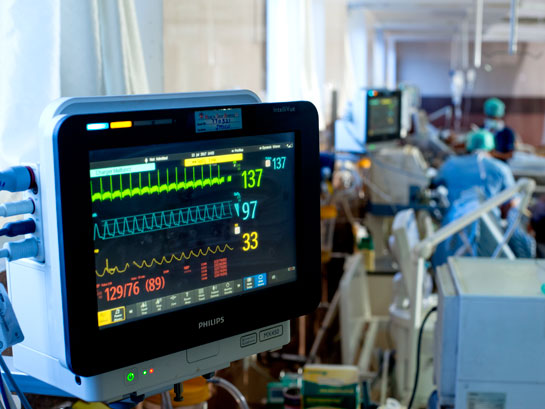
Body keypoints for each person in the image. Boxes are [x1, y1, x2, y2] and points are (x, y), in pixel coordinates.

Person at [435, 129, 515, 206]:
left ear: (468, 145)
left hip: (455, 214)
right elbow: (512, 201)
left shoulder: (451, 163)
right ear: (492, 147)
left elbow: (434, 183)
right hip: (487, 214)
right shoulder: (501, 168)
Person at [482, 97, 516, 162]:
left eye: (495, 117)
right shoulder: (480, 131)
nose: (492, 119)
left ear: (500, 115)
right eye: (490, 117)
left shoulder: (507, 132)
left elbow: (510, 154)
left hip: (500, 163)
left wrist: (494, 155)